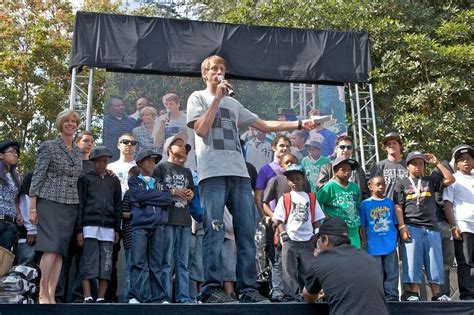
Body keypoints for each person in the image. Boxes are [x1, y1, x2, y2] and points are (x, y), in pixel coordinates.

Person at [186, 55, 315, 303]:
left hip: (239, 175)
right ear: (205, 74)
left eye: (222, 69)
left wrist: (300, 123)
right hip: (213, 174)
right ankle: (211, 289)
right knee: (214, 232)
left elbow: (264, 125)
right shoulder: (197, 98)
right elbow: (201, 129)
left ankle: (247, 289)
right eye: (214, 69)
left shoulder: (234, 105)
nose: (219, 72)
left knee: (245, 233)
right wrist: (218, 99)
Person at [29, 109, 83, 304]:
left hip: (70, 204)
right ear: (61, 124)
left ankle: (51, 294)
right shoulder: (49, 146)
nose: (70, 124)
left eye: (74, 122)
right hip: (49, 202)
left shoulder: (78, 151)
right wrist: (33, 207)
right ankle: (42, 292)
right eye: (67, 121)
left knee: (60, 250)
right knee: (50, 247)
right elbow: (38, 176)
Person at [394, 151, 455, 301]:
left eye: (421, 164)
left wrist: (437, 163)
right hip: (411, 226)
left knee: (434, 260)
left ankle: (437, 294)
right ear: (407, 166)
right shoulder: (401, 183)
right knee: (412, 260)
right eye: (414, 163)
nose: (418, 167)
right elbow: (398, 206)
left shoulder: (430, 180)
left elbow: (450, 179)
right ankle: (413, 293)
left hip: (431, 227)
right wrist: (402, 227)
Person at [303, 217, 389, 315]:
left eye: (318, 242)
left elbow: (309, 296)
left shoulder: (320, 262)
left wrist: (317, 295)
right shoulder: (368, 258)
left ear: (325, 240)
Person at [76, 146, 122, 303]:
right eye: (99, 161)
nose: (102, 164)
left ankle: (101, 297)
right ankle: (87, 295)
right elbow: (80, 204)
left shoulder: (114, 180)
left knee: (106, 263)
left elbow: (118, 206)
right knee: (88, 261)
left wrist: (117, 228)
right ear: (93, 162)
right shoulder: (85, 178)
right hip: (89, 226)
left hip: (108, 227)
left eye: (105, 161)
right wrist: (79, 230)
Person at [272, 164, 325, 301]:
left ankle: (308, 295)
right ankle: (290, 296)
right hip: (291, 239)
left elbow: (317, 217)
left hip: (308, 240)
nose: (294, 182)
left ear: (303, 179)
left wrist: (317, 233)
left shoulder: (311, 198)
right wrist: (284, 235)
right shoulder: (285, 198)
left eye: (297, 178)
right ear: (287, 182)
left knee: (308, 270)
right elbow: (279, 219)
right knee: (289, 270)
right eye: (291, 179)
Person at [127, 149, 173, 303]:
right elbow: (138, 196)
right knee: (138, 261)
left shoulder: (160, 182)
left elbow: (167, 199)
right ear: (139, 163)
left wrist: (147, 198)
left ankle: (160, 297)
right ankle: (135, 296)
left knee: (156, 263)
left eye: (154, 161)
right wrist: (154, 197)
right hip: (140, 226)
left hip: (159, 226)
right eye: (148, 160)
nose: (152, 163)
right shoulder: (134, 181)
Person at [154, 134, 195, 303]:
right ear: (169, 148)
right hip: (167, 220)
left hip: (185, 220)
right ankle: (164, 296)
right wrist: (173, 192)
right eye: (179, 144)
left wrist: (190, 194)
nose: (183, 146)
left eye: (185, 145)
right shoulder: (161, 167)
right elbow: (155, 188)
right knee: (166, 261)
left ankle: (183, 297)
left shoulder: (187, 171)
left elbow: (191, 192)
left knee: (183, 263)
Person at [359, 176, 399, 301]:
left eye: (383, 184)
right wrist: (364, 241)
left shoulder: (390, 202)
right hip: (373, 245)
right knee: (376, 273)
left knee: (391, 272)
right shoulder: (365, 204)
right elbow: (363, 225)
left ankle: (392, 296)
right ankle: (378, 296)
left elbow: (394, 222)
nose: (381, 187)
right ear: (371, 186)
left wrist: (395, 239)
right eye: (378, 184)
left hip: (389, 243)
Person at [443, 145, 474, 300]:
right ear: (456, 164)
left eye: (469, 159)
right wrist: (454, 225)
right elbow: (447, 203)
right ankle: (468, 296)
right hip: (464, 225)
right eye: (461, 160)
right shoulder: (453, 179)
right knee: (466, 261)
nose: (466, 162)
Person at [317, 157, 361, 248]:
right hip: (337, 232)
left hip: (353, 230)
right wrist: (325, 216)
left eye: (349, 170)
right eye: (343, 169)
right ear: (335, 171)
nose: (347, 172)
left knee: (354, 256)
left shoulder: (355, 187)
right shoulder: (329, 187)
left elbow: (357, 205)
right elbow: (316, 203)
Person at [317, 135, 369, 200]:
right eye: (342, 147)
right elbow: (320, 188)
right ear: (336, 149)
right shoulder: (327, 167)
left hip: (355, 207)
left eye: (349, 147)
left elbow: (365, 192)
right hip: (334, 207)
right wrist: (331, 183)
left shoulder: (357, 168)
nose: (346, 150)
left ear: (352, 150)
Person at [255, 135, 291, 217]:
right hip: (273, 215)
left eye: (287, 146)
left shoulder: (294, 169)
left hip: (291, 216)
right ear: (273, 147)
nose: (285, 148)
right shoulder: (265, 170)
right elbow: (258, 197)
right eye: (281, 145)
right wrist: (264, 217)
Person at [370, 132, 408, 200]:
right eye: (388, 144)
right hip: (386, 206)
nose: (391, 145)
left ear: (400, 145)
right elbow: (372, 190)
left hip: (406, 206)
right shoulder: (378, 166)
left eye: (394, 143)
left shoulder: (408, 165)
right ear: (385, 148)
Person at [0, 140, 23, 251]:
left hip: (9, 224)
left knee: (3, 261)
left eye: (17, 153)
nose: (16, 155)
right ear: (1, 155)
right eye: (12, 152)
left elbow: (16, 200)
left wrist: (19, 214)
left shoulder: (17, 178)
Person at [103, 97, 137, 162]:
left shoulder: (132, 121)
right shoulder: (105, 121)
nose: (121, 107)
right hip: (110, 157)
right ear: (111, 107)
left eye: (122, 105)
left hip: (129, 156)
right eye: (117, 106)